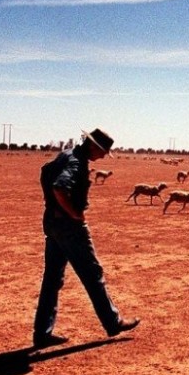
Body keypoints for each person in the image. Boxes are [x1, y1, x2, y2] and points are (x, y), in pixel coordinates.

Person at [32, 128, 139, 348]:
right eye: (103, 152)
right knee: (92, 273)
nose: (102, 157)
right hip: (69, 226)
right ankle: (113, 322)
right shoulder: (77, 163)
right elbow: (60, 187)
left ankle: (42, 333)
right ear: (94, 146)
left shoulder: (67, 154)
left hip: (52, 223)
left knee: (52, 279)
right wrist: (75, 214)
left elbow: (47, 174)